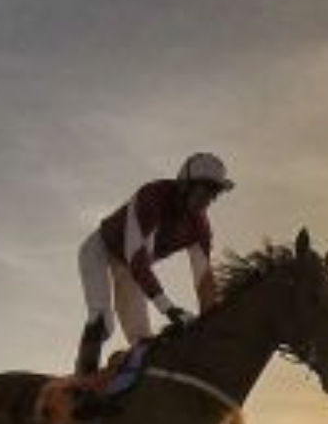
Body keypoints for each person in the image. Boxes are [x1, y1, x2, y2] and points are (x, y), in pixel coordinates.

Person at [74, 152, 233, 375]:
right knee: (102, 322)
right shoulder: (152, 196)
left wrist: (213, 327)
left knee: (142, 340)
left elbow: (204, 282)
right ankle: (80, 382)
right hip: (100, 250)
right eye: (205, 191)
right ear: (185, 185)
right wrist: (168, 308)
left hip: (131, 269)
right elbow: (136, 258)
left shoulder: (200, 227)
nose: (208, 200)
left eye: (214, 194)